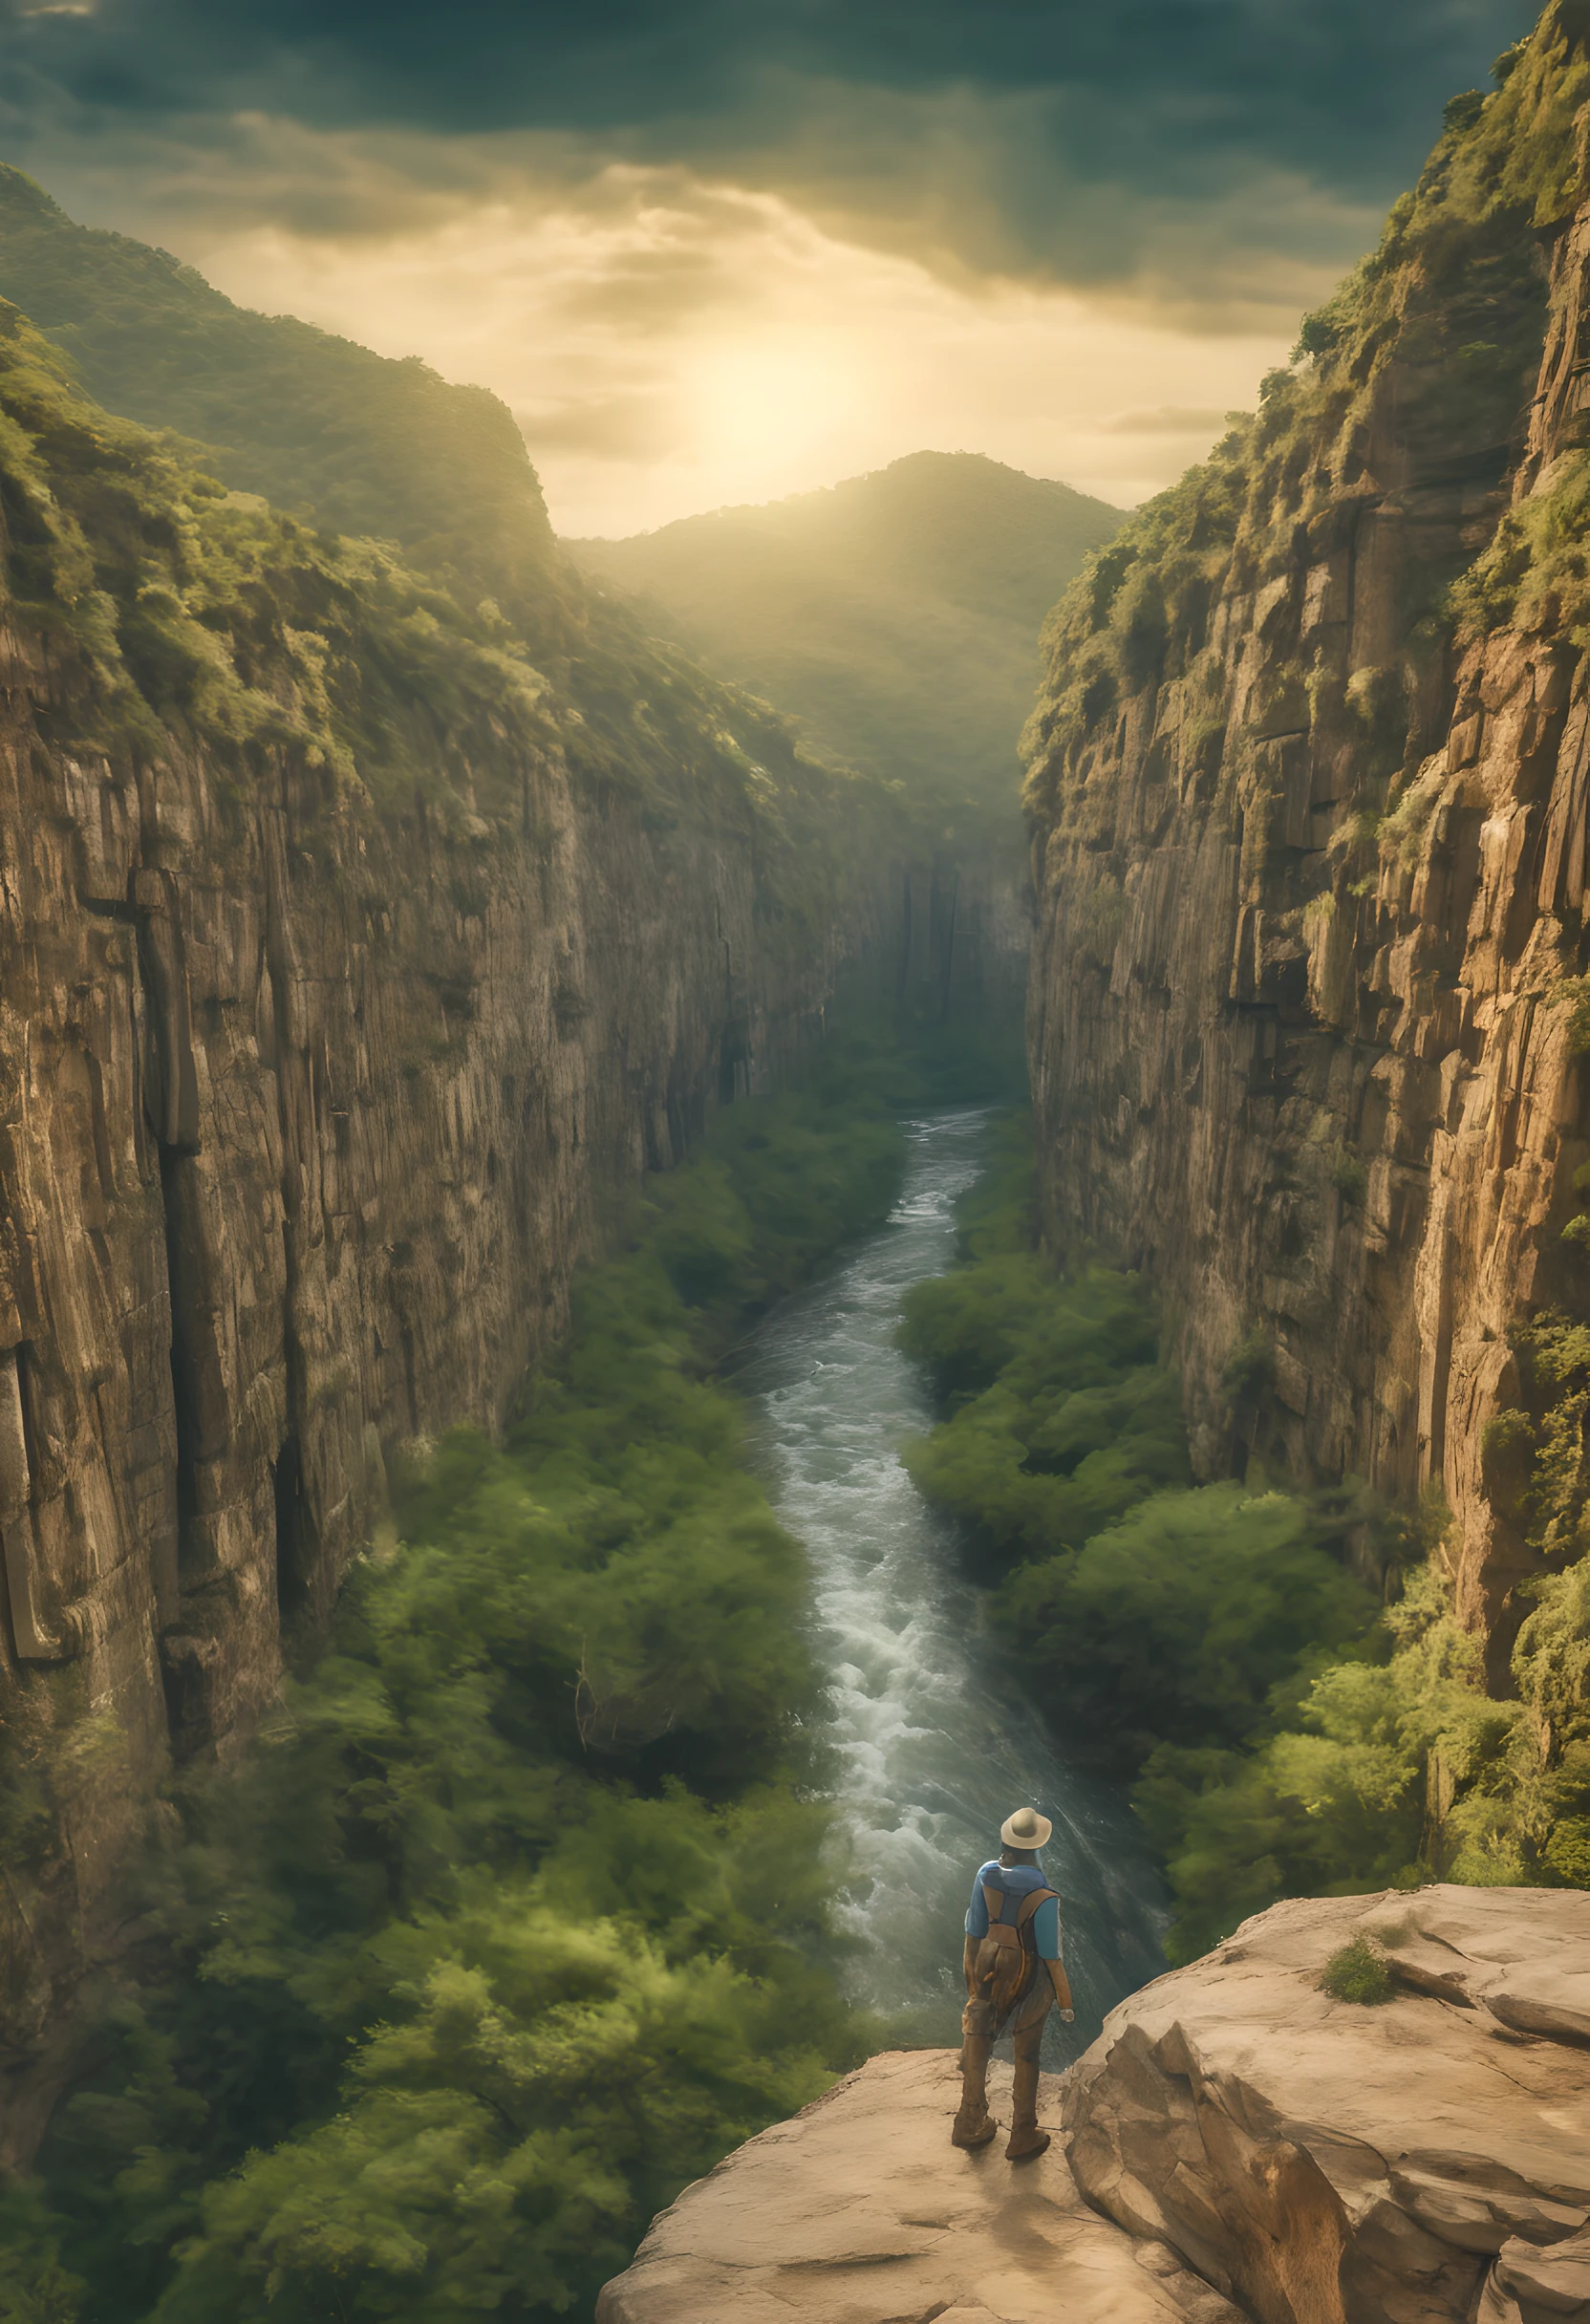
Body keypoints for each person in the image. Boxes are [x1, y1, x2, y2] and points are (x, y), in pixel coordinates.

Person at [951, 1804, 1074, 2161]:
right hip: (1027, 1972)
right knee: (1027, 2051)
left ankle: (969, 2121)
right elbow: (1051, 1956)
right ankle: (1022, 2134)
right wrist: (1065, 2001)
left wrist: (972, 1977)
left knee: (978, 2033)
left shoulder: (986, 1874)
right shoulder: (1045, 1897)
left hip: (987, 1959)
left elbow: (973, 1929)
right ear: (1036, 1848)